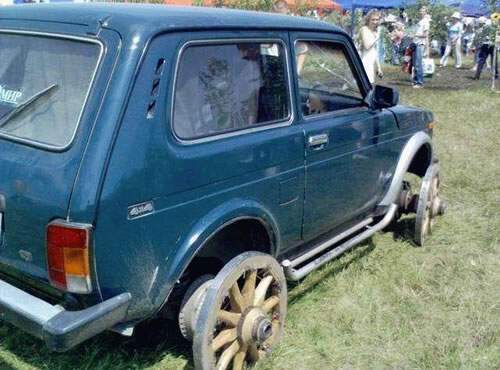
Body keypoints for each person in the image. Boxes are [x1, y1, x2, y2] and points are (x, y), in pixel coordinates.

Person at [359, 10, 383, 83]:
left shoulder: (375, 31)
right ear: (368, 19)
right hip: (363, 60)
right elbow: (367, 46)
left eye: (377, 20)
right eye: (373, 19)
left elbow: (374, 51)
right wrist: (376, 38)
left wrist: (379, 68)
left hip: (370, 61)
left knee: (369, 84)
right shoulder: (364, 29)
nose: (375, 22)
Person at [412, 6, 431, 88]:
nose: (421, 12)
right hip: (416, 43)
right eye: (420, 11)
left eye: (423, 11)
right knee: (415, 63)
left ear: (426, 12)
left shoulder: (426, 21)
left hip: (420, 44)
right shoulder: (421, 21)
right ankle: (416, 81)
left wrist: (415, 35)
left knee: (418, 64)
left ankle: (420, 82)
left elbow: (426, 35)